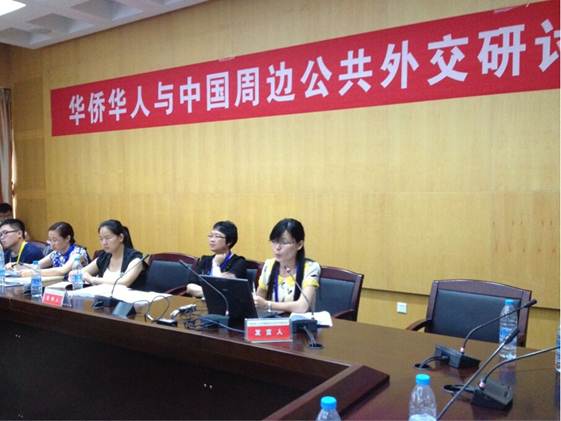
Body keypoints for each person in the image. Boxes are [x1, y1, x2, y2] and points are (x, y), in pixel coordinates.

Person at [254, 218, 320, 313]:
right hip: (271, 320)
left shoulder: (310, 268)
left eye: (284, 242)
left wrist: (267, 305)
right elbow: (259, 301)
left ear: (299, 245)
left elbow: (302, 307)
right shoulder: (269, 265)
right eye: (274, 241)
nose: (277, 247)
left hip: (299, 321)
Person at [186, 220, 247, 298]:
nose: (212, 240)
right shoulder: (205, 260)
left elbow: (224, 287)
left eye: (217, 236)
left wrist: (216, 265)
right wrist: (212, 293)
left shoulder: (238, 262)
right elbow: (190, 287)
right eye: (210, 236)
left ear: (229, 242)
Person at [81, 219, 145, 287]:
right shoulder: (104, 256)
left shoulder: (135, 258)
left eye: (108, 238)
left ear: (121, 237)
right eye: (101, 239)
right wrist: (88, 277)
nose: (104, 243)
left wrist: (93, 280)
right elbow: (81, 272)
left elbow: (124, 282)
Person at [15, 222, 89, 277]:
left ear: (67, 238)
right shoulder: (56, 253)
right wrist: (17, 265)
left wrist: (34, 273)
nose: (51, 244)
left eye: (55, 240)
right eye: (50, 240)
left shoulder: (78, 253)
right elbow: (36, 266)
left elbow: (62, 271)